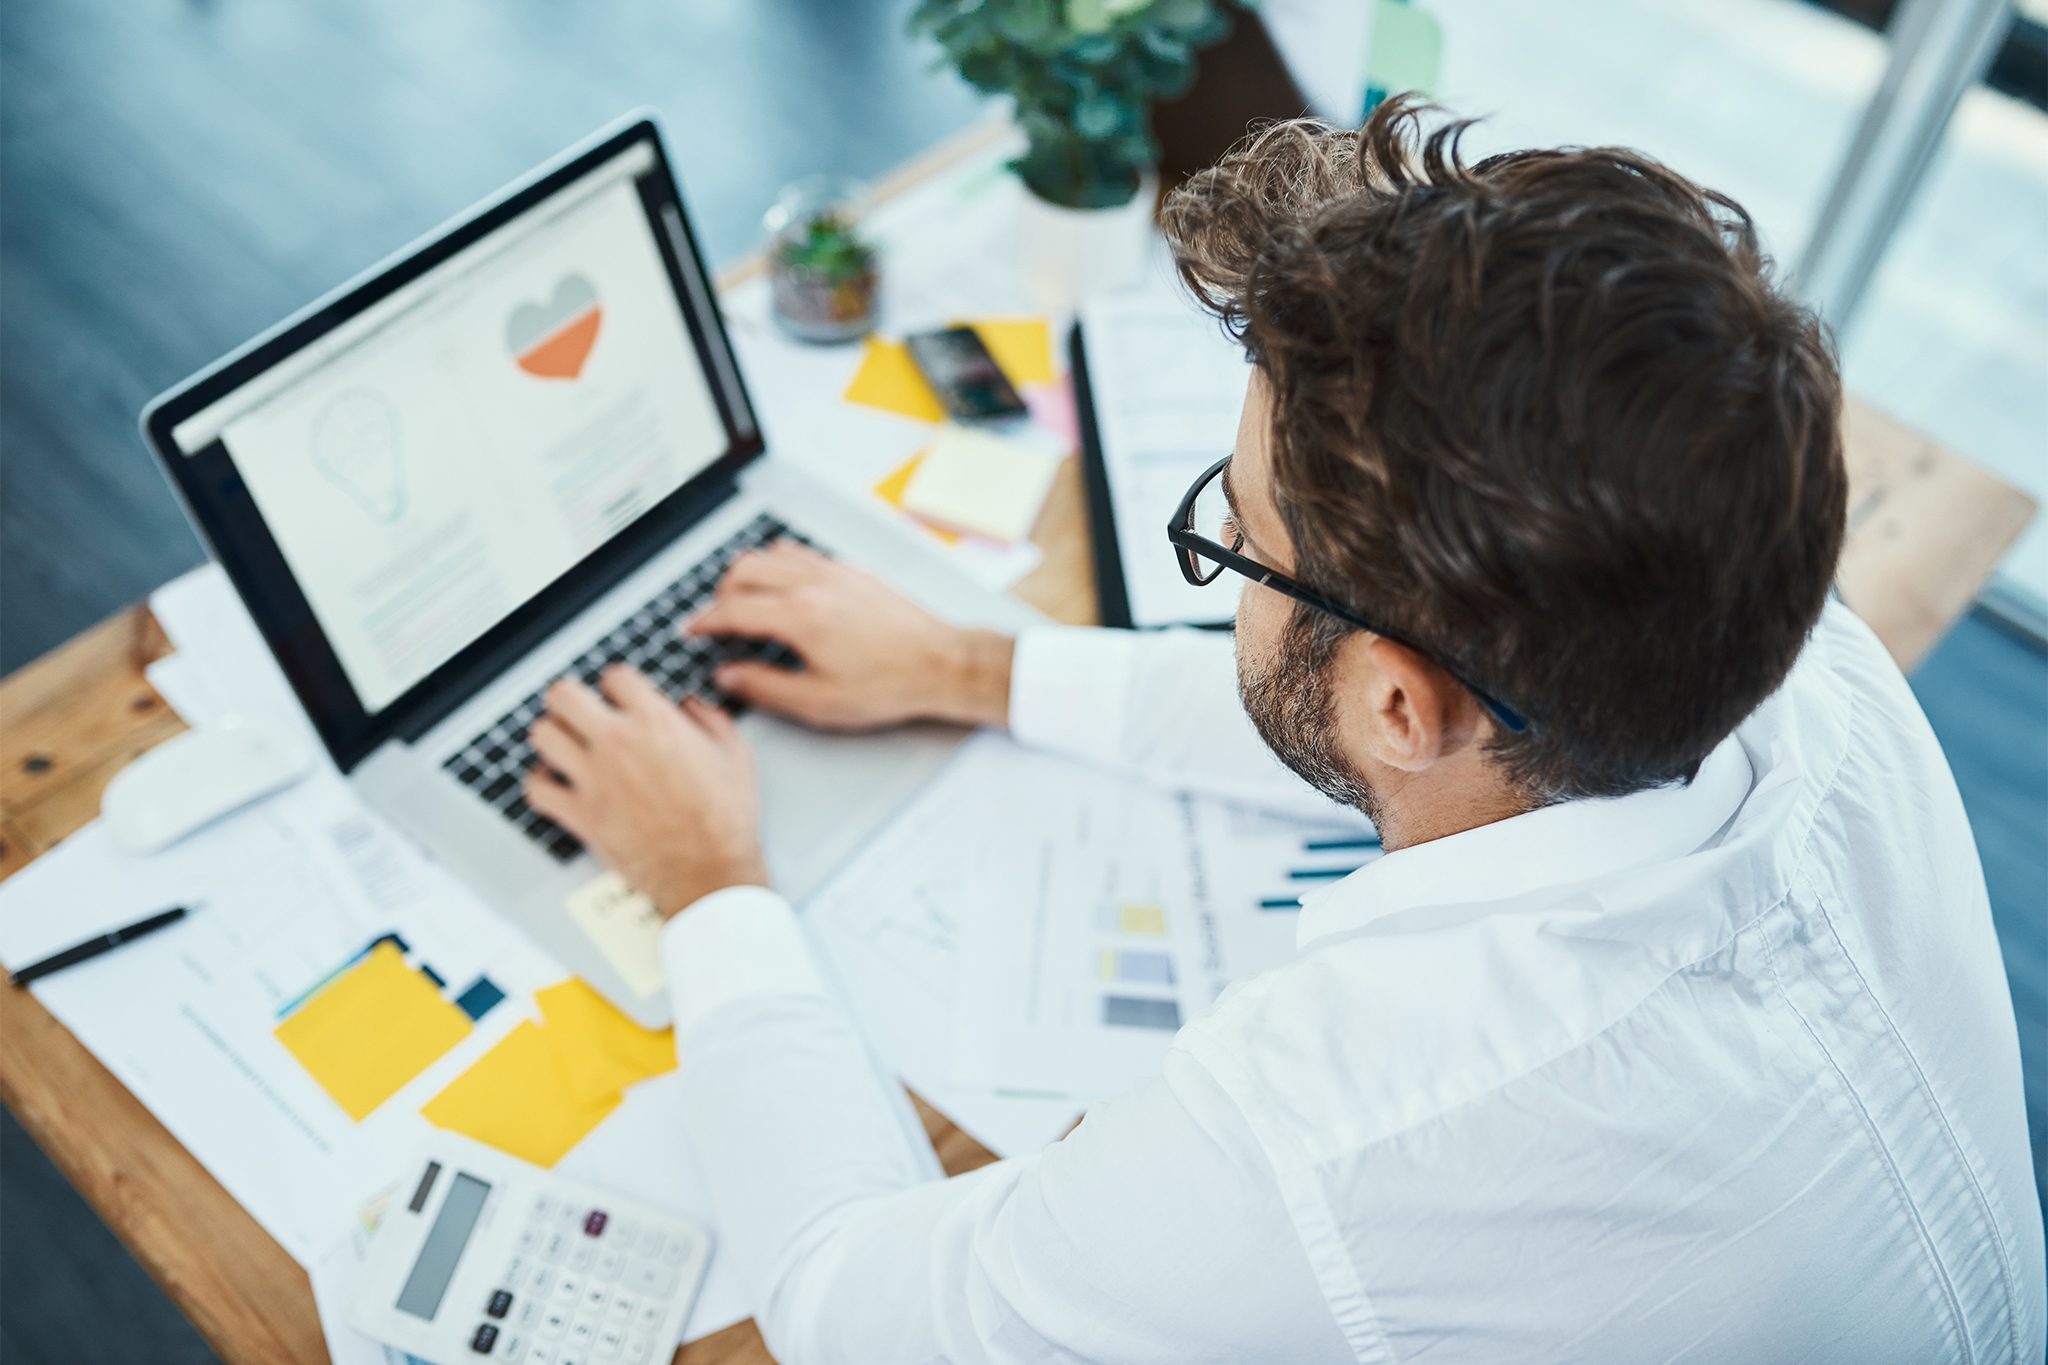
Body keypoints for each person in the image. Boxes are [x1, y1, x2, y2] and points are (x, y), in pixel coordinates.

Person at [521, 101, 2044, 1363]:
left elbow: (851, 1308)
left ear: (1400, 702)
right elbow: (1392, 707)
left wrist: (712, 882)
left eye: (1234, 541)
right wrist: (975, 666)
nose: (1226, 570)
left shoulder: (1333, 1136)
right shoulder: (1777, 634)